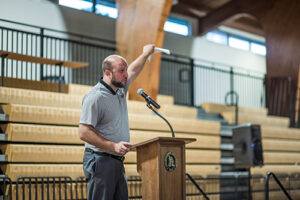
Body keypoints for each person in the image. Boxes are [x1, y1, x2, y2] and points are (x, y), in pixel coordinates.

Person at [78, 44, 155, 200]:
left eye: (125, 70)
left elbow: (134, 69)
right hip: (100, 160)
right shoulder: (95, 97)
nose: (126, 74)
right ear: (107, 73)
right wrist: (113, 146)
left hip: (116, 161)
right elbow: (84, 132)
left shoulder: (120, 89)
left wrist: (145, 54)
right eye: (121, 71)